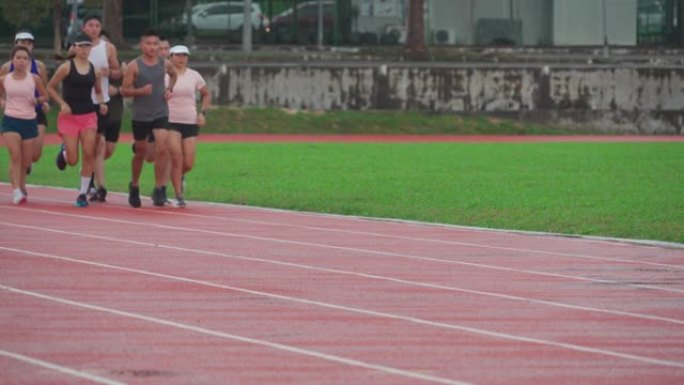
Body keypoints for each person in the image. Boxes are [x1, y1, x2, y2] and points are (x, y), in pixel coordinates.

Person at [47, 33, 108, 207]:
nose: (84, 49)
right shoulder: (66, 67)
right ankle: (65, 153)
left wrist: (102, 102)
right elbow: (50, 87)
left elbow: (97, 90)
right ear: (74, 47)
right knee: (73, 160)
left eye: (88, 46)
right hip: (69, 117)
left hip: (88, 116)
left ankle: (82, 193)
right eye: (81, 46)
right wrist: (62, 104)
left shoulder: (94, 69)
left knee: (89, 153)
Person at [121, 28, 177, 208]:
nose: (152, 47)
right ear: (141, 45)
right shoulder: (134, 66)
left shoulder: (165, 64)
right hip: (141, 116)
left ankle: (160, 188)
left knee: (163, 147)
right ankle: (134, 184)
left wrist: (169, 90)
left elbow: (174, 75)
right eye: (149, 44)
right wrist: (140, 91)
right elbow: (124, 90)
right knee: (141, 152)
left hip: (160, 112)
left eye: (155, 44)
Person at [79, 16, 122, 203]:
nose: (94, 28)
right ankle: (68, 154)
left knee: (99, 144)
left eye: (97, 25)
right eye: (91, 25)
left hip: (101, 101)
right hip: (80, 102)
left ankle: (99, 186)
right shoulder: (77, 47)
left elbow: (118, 71)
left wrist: (108, 72)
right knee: (87, 147)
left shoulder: (108, 48)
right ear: (84, 28)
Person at [0, 46, 48, 204]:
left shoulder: (34, 78)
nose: (21, 61)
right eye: (18, 58)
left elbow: (44, 96)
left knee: (26, 161)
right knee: (15, 155)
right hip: (11, 120)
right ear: (12, 60)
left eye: (24, 58)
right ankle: (16, 190)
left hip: (29, 120)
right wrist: (2, 102)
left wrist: (39, 101)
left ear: (28, 61)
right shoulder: (4, 78)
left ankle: (21, 184)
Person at [166, 45, 211, 208]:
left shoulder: (194, 75)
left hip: (190, 120)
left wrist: (202, 113)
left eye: (184, 55)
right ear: (171, 57)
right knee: (176, 157)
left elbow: (206, 94)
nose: (181, 58)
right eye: (178, 55)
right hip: (170, 120)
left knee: (189, 162)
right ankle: (179, 195)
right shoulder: (165, 76)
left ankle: (177, 176)